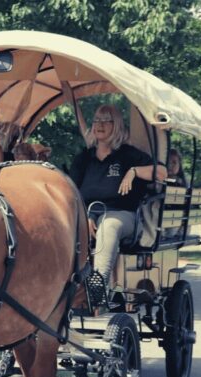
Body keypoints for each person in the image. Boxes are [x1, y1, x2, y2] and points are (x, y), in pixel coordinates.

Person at [68, 104, 166, 306]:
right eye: (96, 120)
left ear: (117, 125)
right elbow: (71, 192)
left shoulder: (128, 154)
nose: (99, 124)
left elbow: (162, 173)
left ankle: (97, 288)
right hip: (87, 215)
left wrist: (134, 171)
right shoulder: (84, 158)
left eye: (106, 120)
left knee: (109, 225)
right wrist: (83, 218)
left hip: (123, 216)